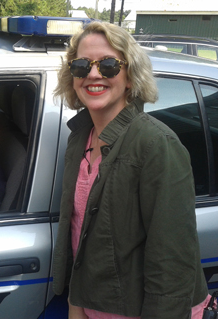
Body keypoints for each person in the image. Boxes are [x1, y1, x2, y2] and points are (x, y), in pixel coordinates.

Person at [52, 22, 209, 319]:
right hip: (92, 304)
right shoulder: (79, 137)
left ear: (130, 77)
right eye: (82, 65)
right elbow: (78, 231)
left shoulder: (156, 145)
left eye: (109, 65)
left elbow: (172, 262)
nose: (94, 74)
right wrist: (76, 303)